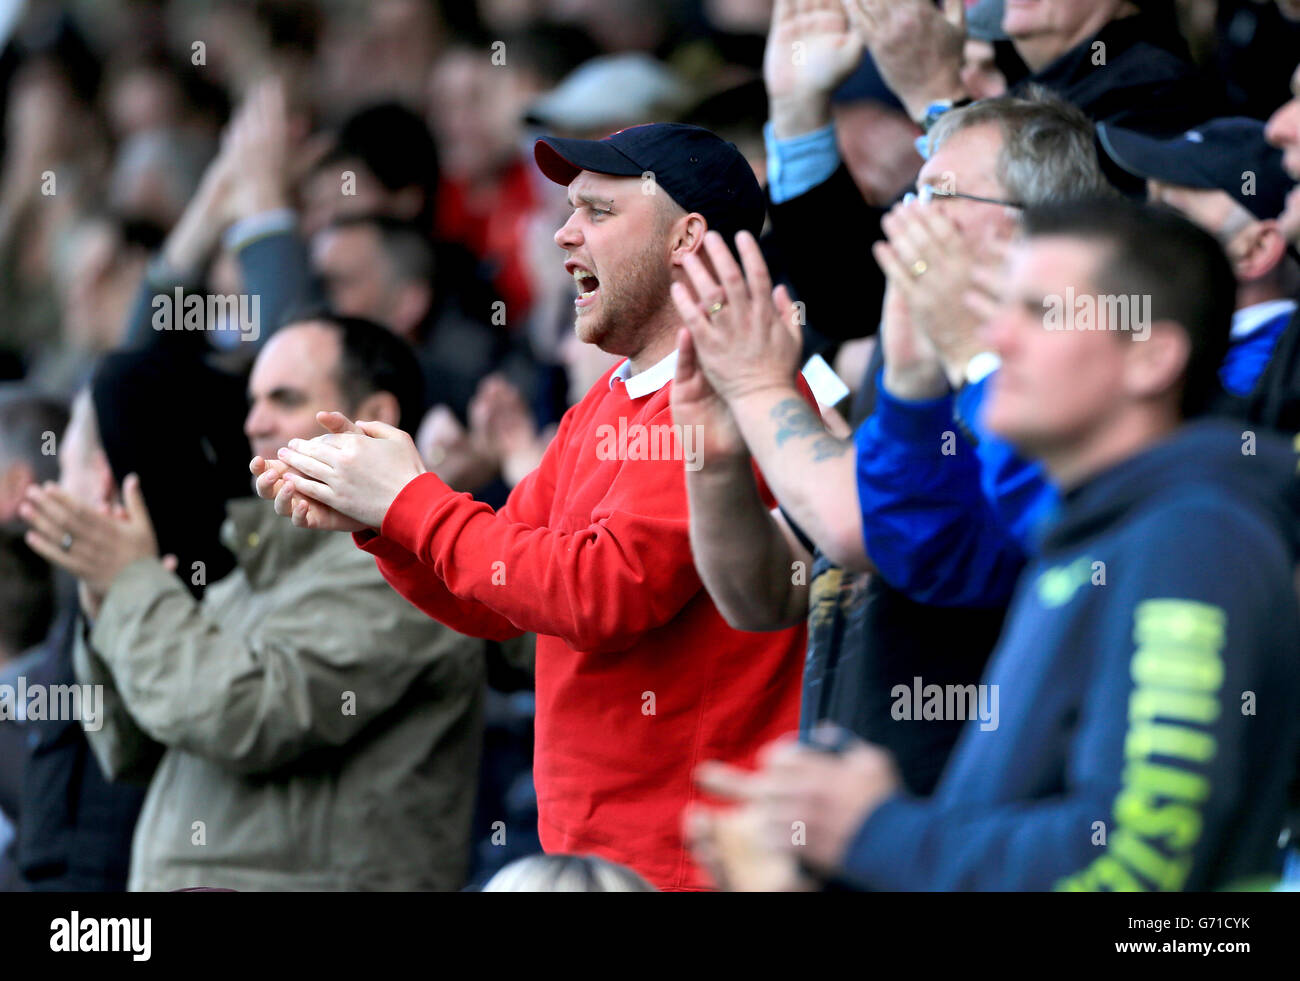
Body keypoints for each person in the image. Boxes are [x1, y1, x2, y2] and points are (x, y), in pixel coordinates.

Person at [253, 124, 809, 891]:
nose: (563, 233)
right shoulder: (605, 402)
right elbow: (504, 598)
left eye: (599, 212)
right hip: (594, 854)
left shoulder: (727, 392)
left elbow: (600, 591)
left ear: (688, 237)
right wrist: (381, 520)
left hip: (686, 864)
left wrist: (410, 499)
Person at [691, 198, 1300, 891]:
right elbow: (912, 534)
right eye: (1001, 306)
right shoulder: (1092, 532)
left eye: (1041, 312)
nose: (997, 336)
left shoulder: (1195, 537)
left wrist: (877, 833)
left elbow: (1140, 861)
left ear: (1151, 358)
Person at [21, 316, 486, 891]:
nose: (253, 423)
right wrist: (105, 598)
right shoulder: (247, 572)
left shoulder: (404, 567)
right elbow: (135, 748)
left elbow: (241, 716)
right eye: (252, 401)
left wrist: (133, 588)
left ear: (376, 417)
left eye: (284, 399)